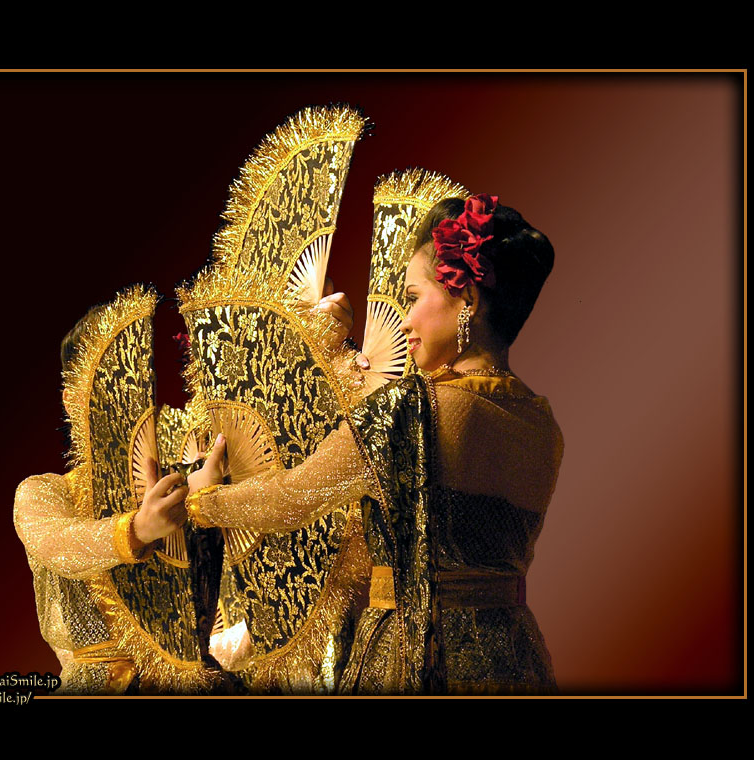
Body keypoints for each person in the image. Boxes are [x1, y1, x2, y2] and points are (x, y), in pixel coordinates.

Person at [184, 194, 563, 694]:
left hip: (416, 654)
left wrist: (204, 499)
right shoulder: (541, 423)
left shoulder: (411, 411)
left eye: (412, 296)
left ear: (468, 299)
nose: (403, 321)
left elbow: (290, 498)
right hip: (515, 658)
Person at [13, 301, 195, 694]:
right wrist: (137, 529)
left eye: (136, 381)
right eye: (107, 381)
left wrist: (209, 506)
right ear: (71, 400)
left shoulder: (180, 489)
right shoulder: (45, 492)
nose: (126, 399)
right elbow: (59, 545)